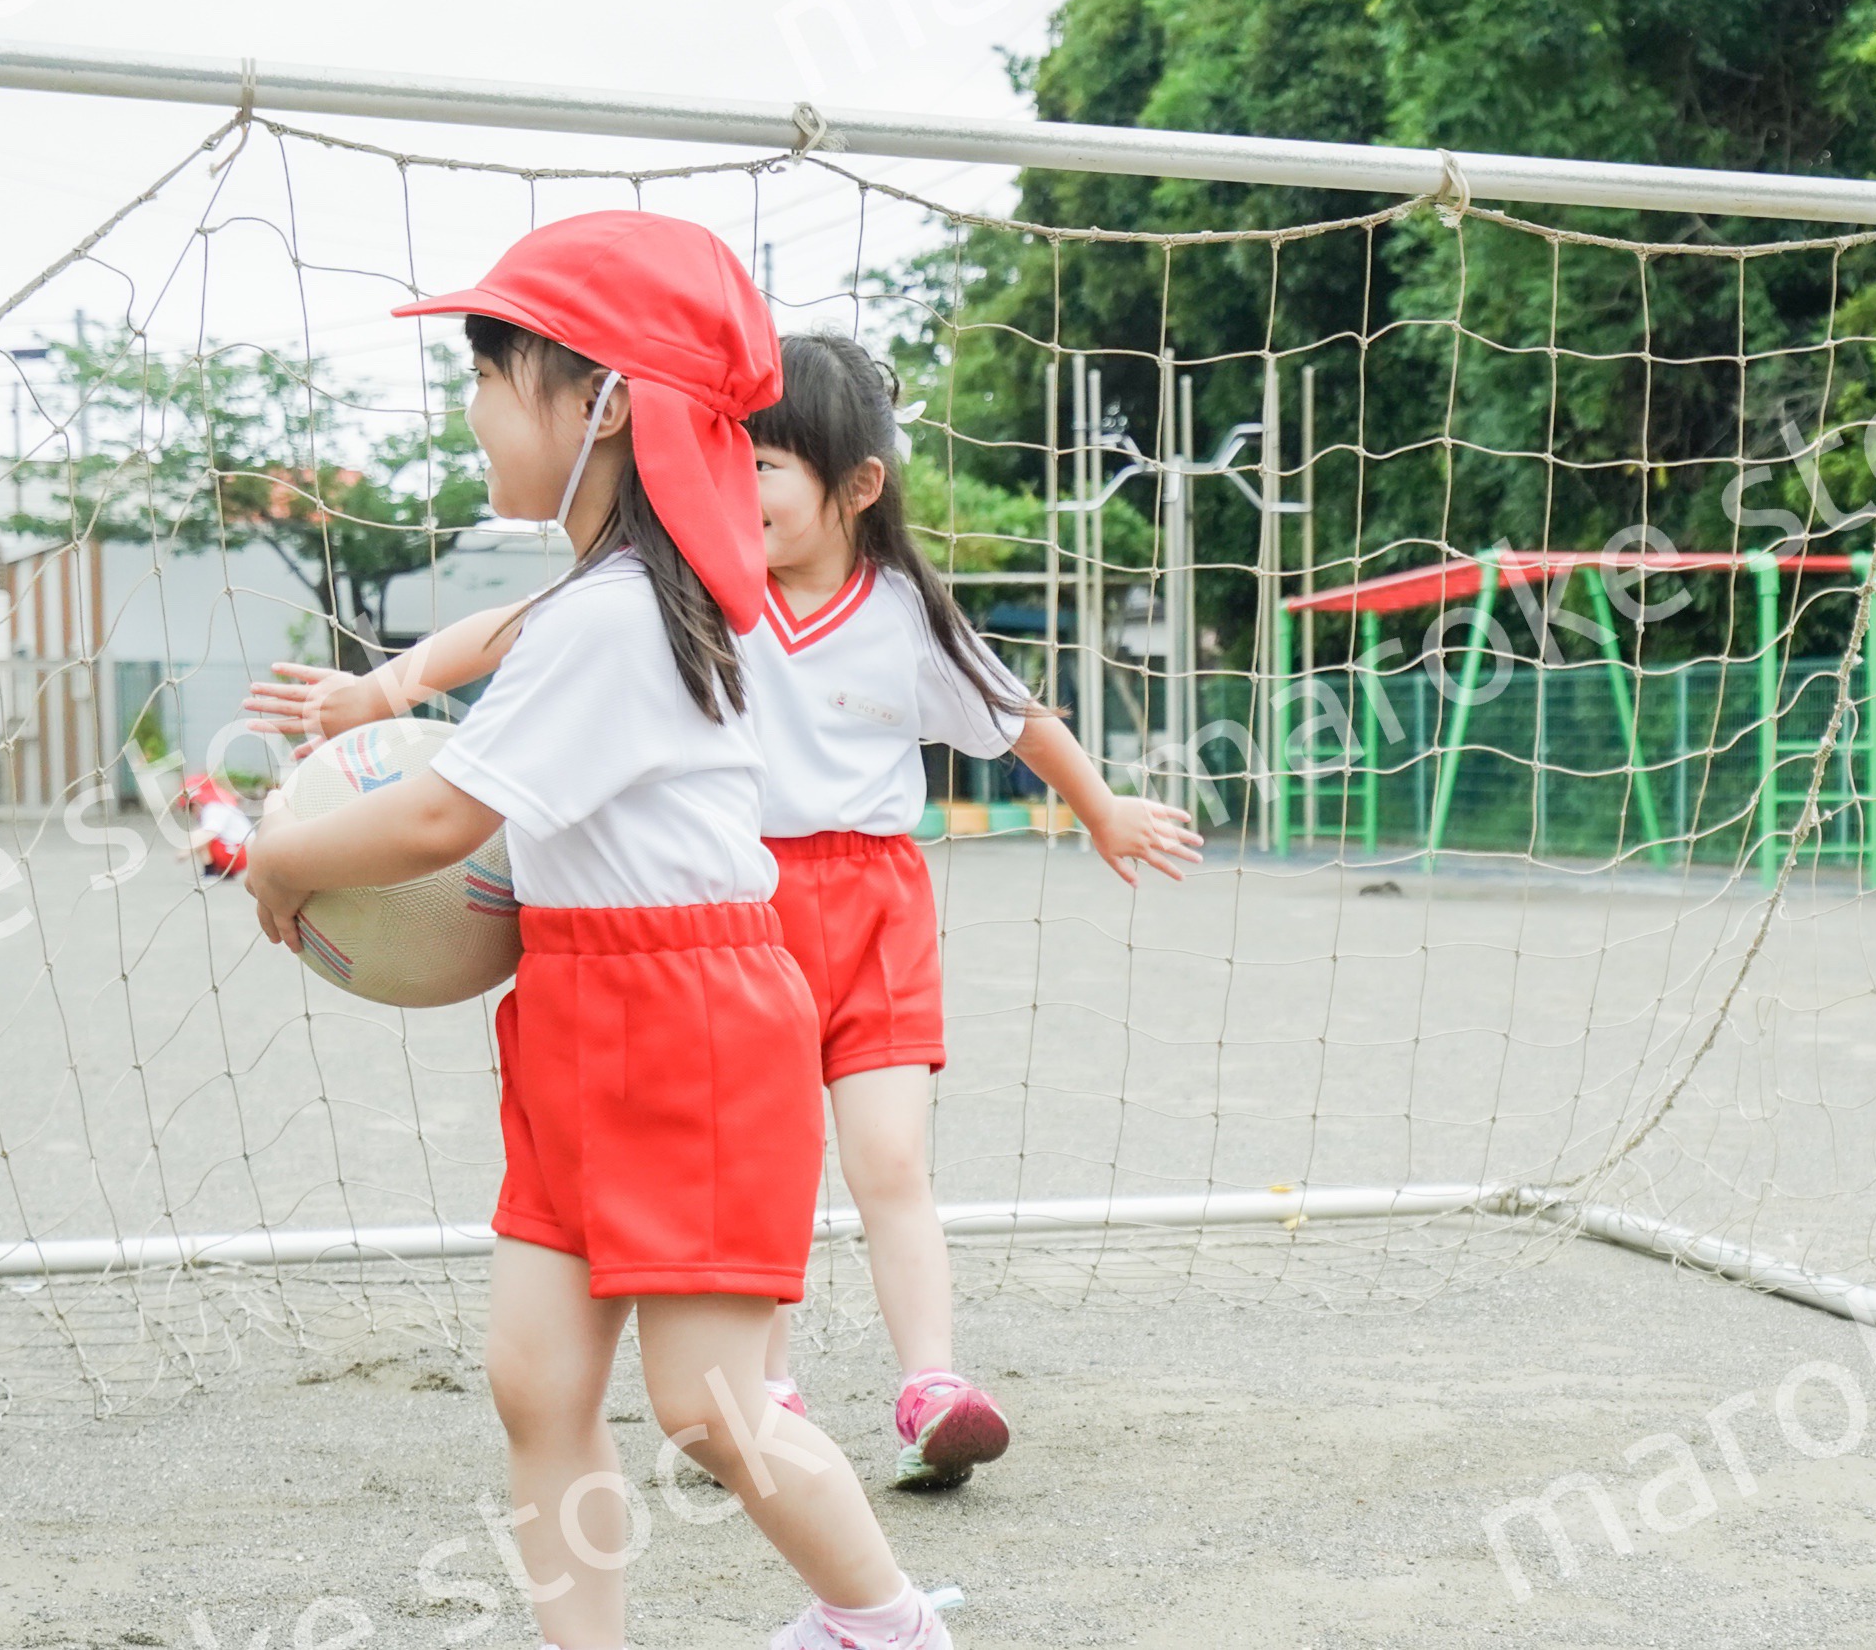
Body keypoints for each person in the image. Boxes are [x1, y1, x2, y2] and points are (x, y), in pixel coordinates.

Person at [252, 331, 1201, 1492]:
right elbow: (512, 630)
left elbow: (1021, 719)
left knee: (889, 1153)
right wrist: (386, 687)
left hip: (873, 906)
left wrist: (1100, 810)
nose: (732, 480)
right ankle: (763, 1390)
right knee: (761, 1167)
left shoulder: (904, 612)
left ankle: (934, 1383)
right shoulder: (687, 591)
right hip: (734, 911)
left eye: (764, 464)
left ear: (855, 487)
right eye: (723, 451)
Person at [240, 213, 951, 1650]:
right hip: (574, 1006)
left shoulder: (626, 613)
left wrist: (280, 853)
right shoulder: (600, 600)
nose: (476, 407)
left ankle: (883, 1623)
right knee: (537, 1382)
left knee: (711, 1408)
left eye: (497, 373)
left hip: (688, 1020)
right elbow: (482, 683)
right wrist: (379, 697)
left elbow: (440, 823)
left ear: (605, 400)